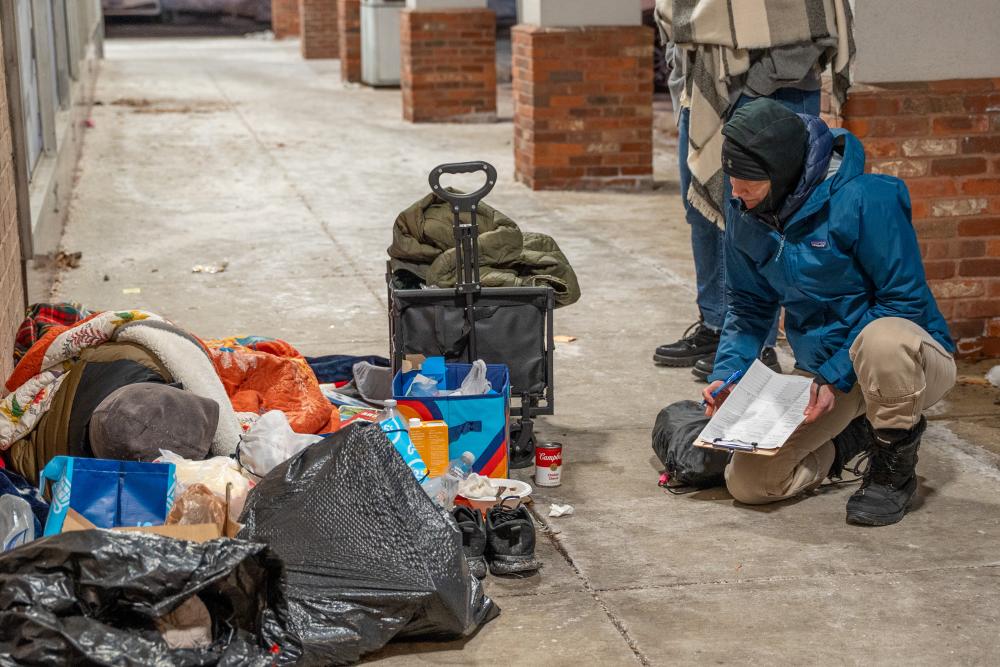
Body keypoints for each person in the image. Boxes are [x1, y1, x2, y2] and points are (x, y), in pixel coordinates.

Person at [702, 98, 955, 526]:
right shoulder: (746, 212)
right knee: (751, 484)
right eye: (732, 180)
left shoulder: (867, 199)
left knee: (883, 339)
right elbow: (748, 305)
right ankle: (853, 437)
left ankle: (892, 470)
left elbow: (903, 303)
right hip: (824, 376)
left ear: (781, 172)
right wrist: (729, 375)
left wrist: (835, 375)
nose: (736, 193)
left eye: (749, 182)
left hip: (907, 363)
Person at [652, 0, 853, 381]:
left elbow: (814, 16)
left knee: (759, 215)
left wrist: (756, 84)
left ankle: (757, 345)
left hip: (774, 89)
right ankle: (715, 324)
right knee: (702, 208)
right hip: (703, 86)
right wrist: (689, 79)